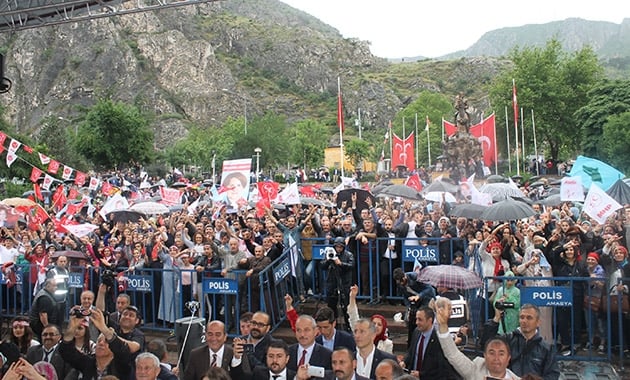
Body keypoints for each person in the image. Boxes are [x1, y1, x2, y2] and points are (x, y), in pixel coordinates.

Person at [436, 298, 521, 380]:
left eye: (501, 354)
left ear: (508, 358)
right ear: (485, 355)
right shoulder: (474, 371)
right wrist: (443, 325)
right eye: (492, 353)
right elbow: (452, 354)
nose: (496, 358)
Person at [480, 304, 559, 380]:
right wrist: (496, 318)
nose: (524, 321)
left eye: (529, 318)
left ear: (538, 322)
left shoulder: (547, 349)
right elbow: (486, 343)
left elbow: (552, 375)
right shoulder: (508, 340)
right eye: (522, 317)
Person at [58, 308, 133, 380]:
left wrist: (104, 329)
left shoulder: (121, 365)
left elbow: (123, 351)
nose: (101, 343)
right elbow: (66, 351)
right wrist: (72, 329)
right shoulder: (88, 363)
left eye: (106, 341)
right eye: (99, 341)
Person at [402, 307, 461, 379]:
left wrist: (421, 375)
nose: (416, 322)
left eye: (420, 320)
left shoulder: (439, 339)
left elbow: (441, 368)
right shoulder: (416, 332)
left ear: (429, 320)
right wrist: (404, 361)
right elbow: (411, 352)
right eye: (416, 319)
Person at [392, 268, 436, 345]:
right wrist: (408, 305)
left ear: (404, 277)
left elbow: (429, 288)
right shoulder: (399, 284)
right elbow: (404, 296)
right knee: (408, 318)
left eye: (402, 281)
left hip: (426, 297)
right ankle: (413, 336)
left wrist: (419, 296)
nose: (401, 284)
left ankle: (425, 336)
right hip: (414, 301)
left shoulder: (415, 276)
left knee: (422, 316)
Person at [348, 285, 393, 354]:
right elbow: (353, 318)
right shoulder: (362, 337)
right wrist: (352, 298)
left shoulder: (388, 344)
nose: (376, 326)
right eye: (374, 323)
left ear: (384, 327)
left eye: (379, 324)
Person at [321, 237, 354, 326]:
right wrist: (328, 261)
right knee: (331, 307)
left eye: (340, 247)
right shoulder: (329, 253)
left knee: (346, 307)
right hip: (331, 283)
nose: (338, 249)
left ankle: (348, 325)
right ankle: (333, 326)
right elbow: (322, 266)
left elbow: (351, 265)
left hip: (344, 283)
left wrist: (341, 263)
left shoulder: (348, 254)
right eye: (337, 247)